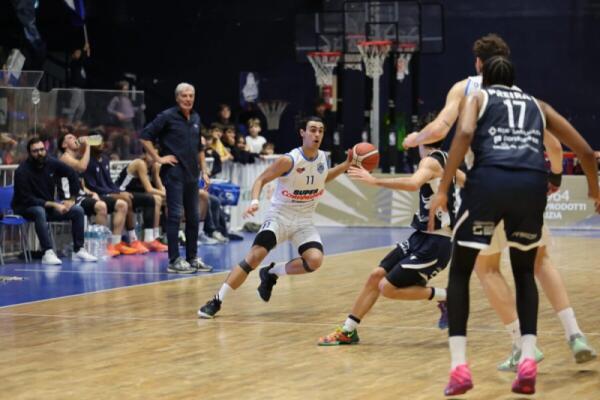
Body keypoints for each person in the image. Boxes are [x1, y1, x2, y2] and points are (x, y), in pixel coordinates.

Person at [403, 33, 597, 370]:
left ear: (479, 63)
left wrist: (415, 140)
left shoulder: (468, 90)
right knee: (540, 261)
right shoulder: (526, 98)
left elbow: (441, 130)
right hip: (529, 184)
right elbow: (556, 147)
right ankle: (575, 333)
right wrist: (555, 178)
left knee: (485, 267)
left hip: (488, 186)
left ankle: (521, 344)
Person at [197, 116, 352, 318]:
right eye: (312, 130)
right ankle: (217, 300)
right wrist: (254, 201)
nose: (317, 134)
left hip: (304, 221)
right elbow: (261, 180)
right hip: (280, 217)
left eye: (320, 131)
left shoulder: (322, 157)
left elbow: (322, 179)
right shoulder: (289, 160)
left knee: (314, 260)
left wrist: (346, 165)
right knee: (255, 257)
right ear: (302, 133)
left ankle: (271, 273)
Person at [318, 140, 463, 345]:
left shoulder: (430, 162)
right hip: (421, 236)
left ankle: (448, 296)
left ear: (423, 142)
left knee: (387, 287)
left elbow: (413, 183)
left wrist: (375, 181)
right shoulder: (448, 160)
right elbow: (468, 182)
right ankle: (348, 330)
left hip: (436, 243)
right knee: (376, 275)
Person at [140, 82, 213, 274]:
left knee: (194, 217)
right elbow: (145, 136)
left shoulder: (196, 117)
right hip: (174, 173)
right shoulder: (167, 116)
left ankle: (192, 258)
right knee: (174, 215)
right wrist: (158, 158)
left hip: (192, 174)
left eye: (191, 96)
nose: (188, 99)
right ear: (177, 97)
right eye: (184, 96)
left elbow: (199, 148)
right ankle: (174, 260)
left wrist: (205, 171)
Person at [12, 137, 98, 264]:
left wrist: (72, 199)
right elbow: (27, 199)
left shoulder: (51, 162)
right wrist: (54, 204)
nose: (40, 153)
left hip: (48, 207)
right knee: (39, 211)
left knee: (78, 210)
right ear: (29, 153)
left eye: (42, 149)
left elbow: (72, 174)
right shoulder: (22, 171)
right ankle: (47, 252)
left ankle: (78, 249)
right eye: (35, 151)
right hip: (25, 207)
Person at [58, 132, 131, 257]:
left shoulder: (76, 159)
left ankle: (115, 244)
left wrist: (92, 193)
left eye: (75, 137)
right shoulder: (64, 158)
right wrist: (87, 146)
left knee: (122, 205)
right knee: (101, 206)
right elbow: (82, 167)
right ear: (64, 145)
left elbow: (81, 185)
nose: (75, 138)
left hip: (81, 196)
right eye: (70, 138)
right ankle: (99, 246)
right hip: (69, 199)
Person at [82, 142, 154, 256]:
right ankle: (131, 239)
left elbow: (109, 182)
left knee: (128, 198)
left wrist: (118, 191)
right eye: (96, 142)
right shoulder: (87, 162)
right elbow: (93, 187)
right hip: (97, 194)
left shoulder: (105, 159)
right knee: (125, 201)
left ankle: (117, 243)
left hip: (107, 192)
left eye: (101, 141)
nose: (101, 144)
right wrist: (113, 193)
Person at [114, 150, 170, 252]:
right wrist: (169, 194)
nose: (154, 157)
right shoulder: (140, 163)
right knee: (153, 199)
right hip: (120, 192)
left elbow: (160, 188)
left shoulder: (153, 166)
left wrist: (156, 175)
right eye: (151, 155)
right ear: (144, 154)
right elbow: (149, 189)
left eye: (155, 155)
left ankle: (156, 237)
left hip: (133, 193)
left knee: (160, 199)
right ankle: (146, 239)